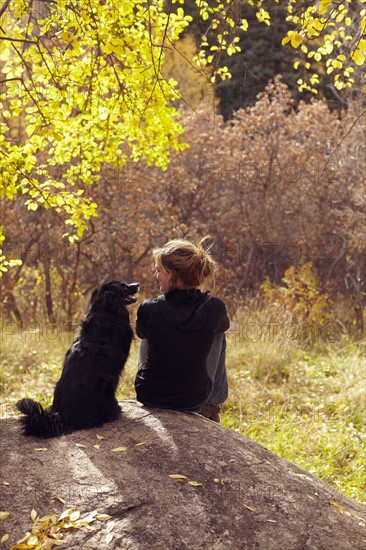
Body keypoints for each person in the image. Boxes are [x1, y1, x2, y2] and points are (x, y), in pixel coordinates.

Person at [134, 238, 230, 422]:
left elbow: (142, 334)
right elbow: (224, 326)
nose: (156, 275)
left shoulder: (149, 307)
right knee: (218, 331)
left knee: (148, 328)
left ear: (171, 274)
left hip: (150, 395)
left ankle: (153, 378)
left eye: (158, 270)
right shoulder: (214, 306)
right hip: (194, 399)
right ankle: (211, 404)